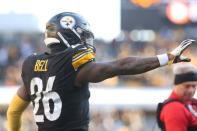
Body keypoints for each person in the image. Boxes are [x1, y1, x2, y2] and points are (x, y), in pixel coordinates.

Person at [6, 12, 195, 131]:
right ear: (69, 35)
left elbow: (13, 112)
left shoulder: (32, 65)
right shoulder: (73, 66)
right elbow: (121, 66)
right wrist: (166, 58)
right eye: (83, 36)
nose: (86, 41)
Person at [157, 63, 197, 131]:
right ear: (176, 85)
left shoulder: (192, 102)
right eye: (186, 86)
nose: (191, 90)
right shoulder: (174, 108)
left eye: (194, 86)